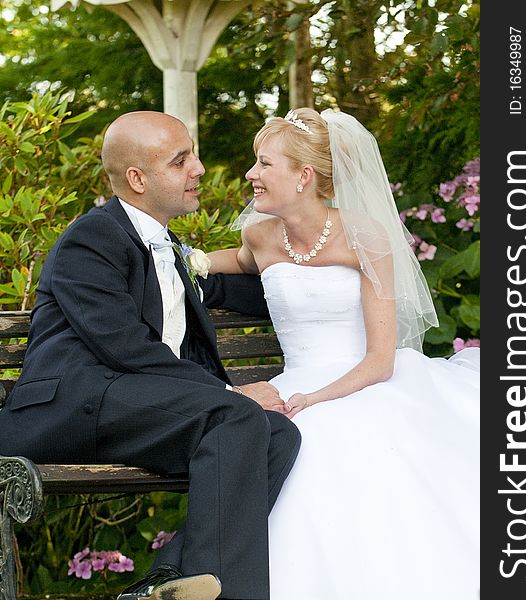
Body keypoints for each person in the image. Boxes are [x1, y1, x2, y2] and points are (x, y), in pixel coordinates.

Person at [0, 111, 302, 600]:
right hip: (71, 406)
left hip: (130, 405)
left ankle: (168, 581)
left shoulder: (167, 245)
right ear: (137, 179)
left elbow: (241, 289)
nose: (199, 169)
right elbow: (123, 345)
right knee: (236, 415)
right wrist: (230, 391)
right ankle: (226, 595)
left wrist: (324, 267)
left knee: (278, 433)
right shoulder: (91, 238)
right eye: (181, 161)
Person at [207, 107, 480, 600]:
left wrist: (316, 398)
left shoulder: (365, 237)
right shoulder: (261, 235)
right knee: (278, 441)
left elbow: (381, 361)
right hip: (293, 384)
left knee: (332, 446)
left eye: (264, 164)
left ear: (303, 176)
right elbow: (239, 262)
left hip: (364, 381)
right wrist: (183, 260)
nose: (251, 175)